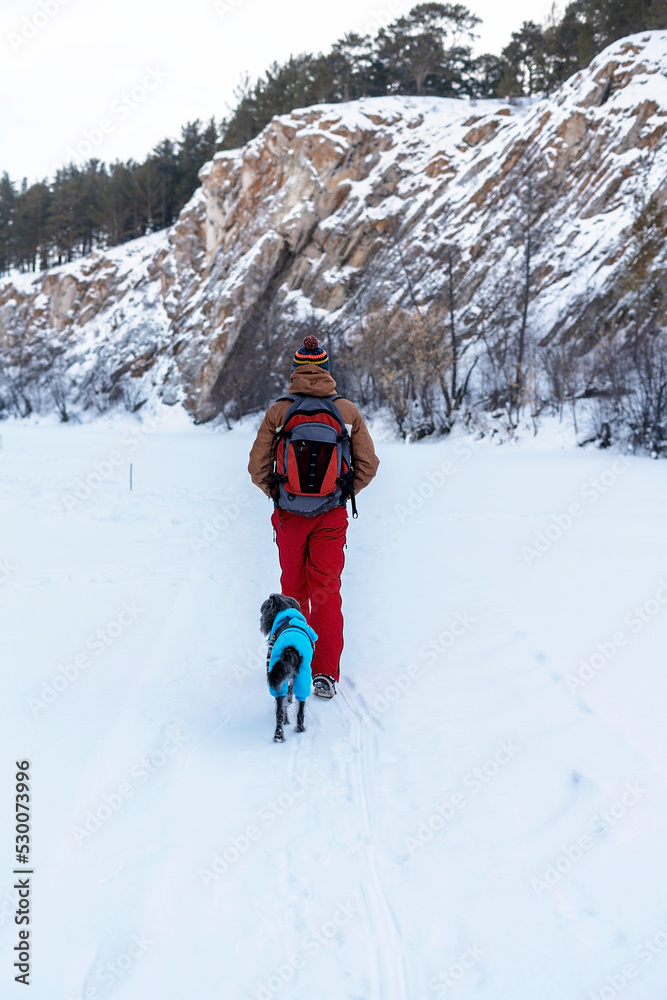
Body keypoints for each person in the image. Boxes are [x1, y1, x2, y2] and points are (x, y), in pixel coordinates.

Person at [248, 336, 379, 698]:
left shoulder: (280, 411)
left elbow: (257, 467)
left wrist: (279, 494)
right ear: (326, 371)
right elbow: (369, 466)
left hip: (289, 515)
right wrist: (340, 493)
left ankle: (290, 663)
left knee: (293, 590)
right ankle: (324, 673)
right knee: (326, 592)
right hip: (331, 517)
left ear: (295, 370)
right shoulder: (346, 411)